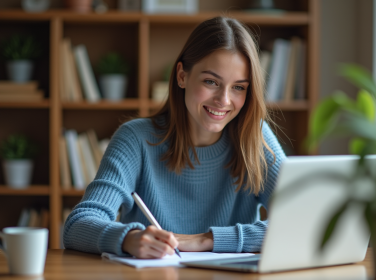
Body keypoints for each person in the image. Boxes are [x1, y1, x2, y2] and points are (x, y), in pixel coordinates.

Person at [63, 16, 286, 259]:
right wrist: (128, 238)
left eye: (239, 87)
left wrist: (205, 240)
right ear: (182, 75)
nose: (224, 100)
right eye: (211, 82)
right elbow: (77, 226)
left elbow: (305, 222)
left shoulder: (255, 137)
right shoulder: (135, 139)